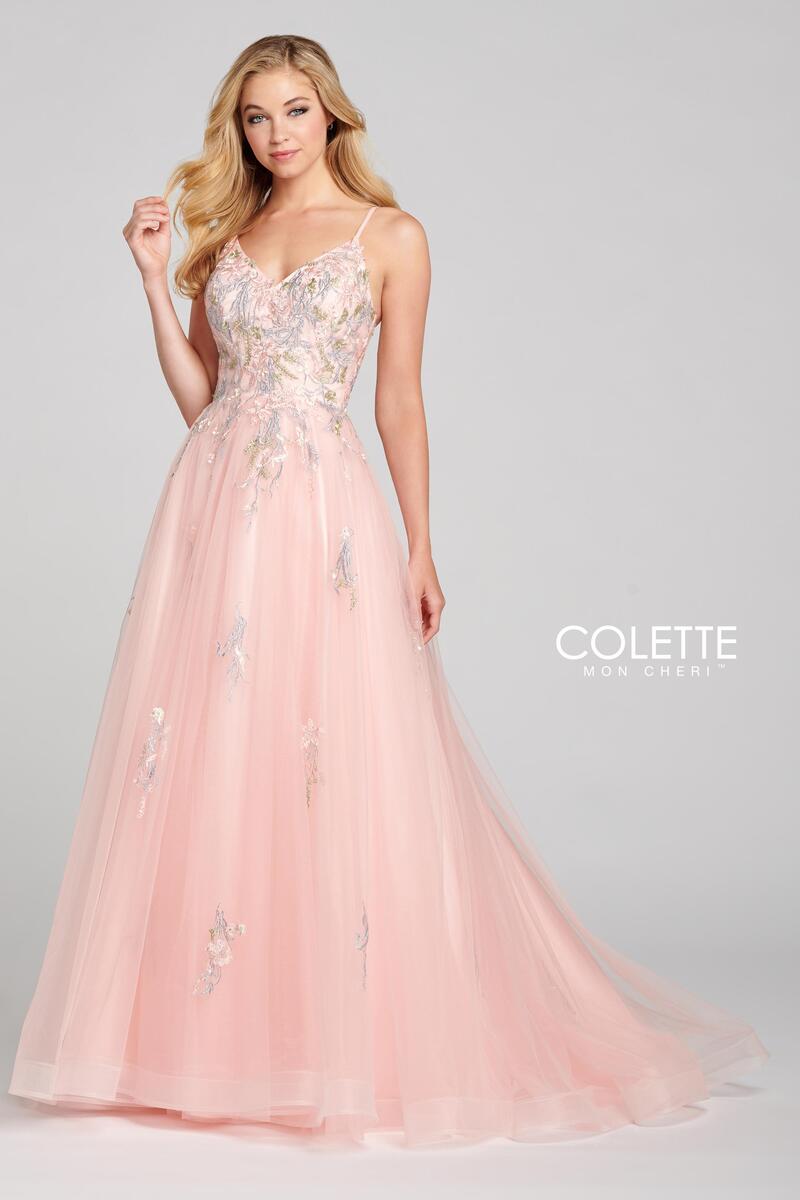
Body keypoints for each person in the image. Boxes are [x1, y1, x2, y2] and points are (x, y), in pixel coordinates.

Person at [7, 34, 768, 1148]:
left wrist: (420, 545)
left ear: (331, 114)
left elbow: (398, 400)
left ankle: (338, 1039)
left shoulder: (390, 236)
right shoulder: (225, 240)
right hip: (212, 515)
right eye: (256, 116)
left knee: (325, 753)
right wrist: (151, 282)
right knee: (215, 755)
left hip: (323, 515)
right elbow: (204, 402)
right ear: (239, 129)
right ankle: (207, 1044)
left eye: (294, 110)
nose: (276, 133)